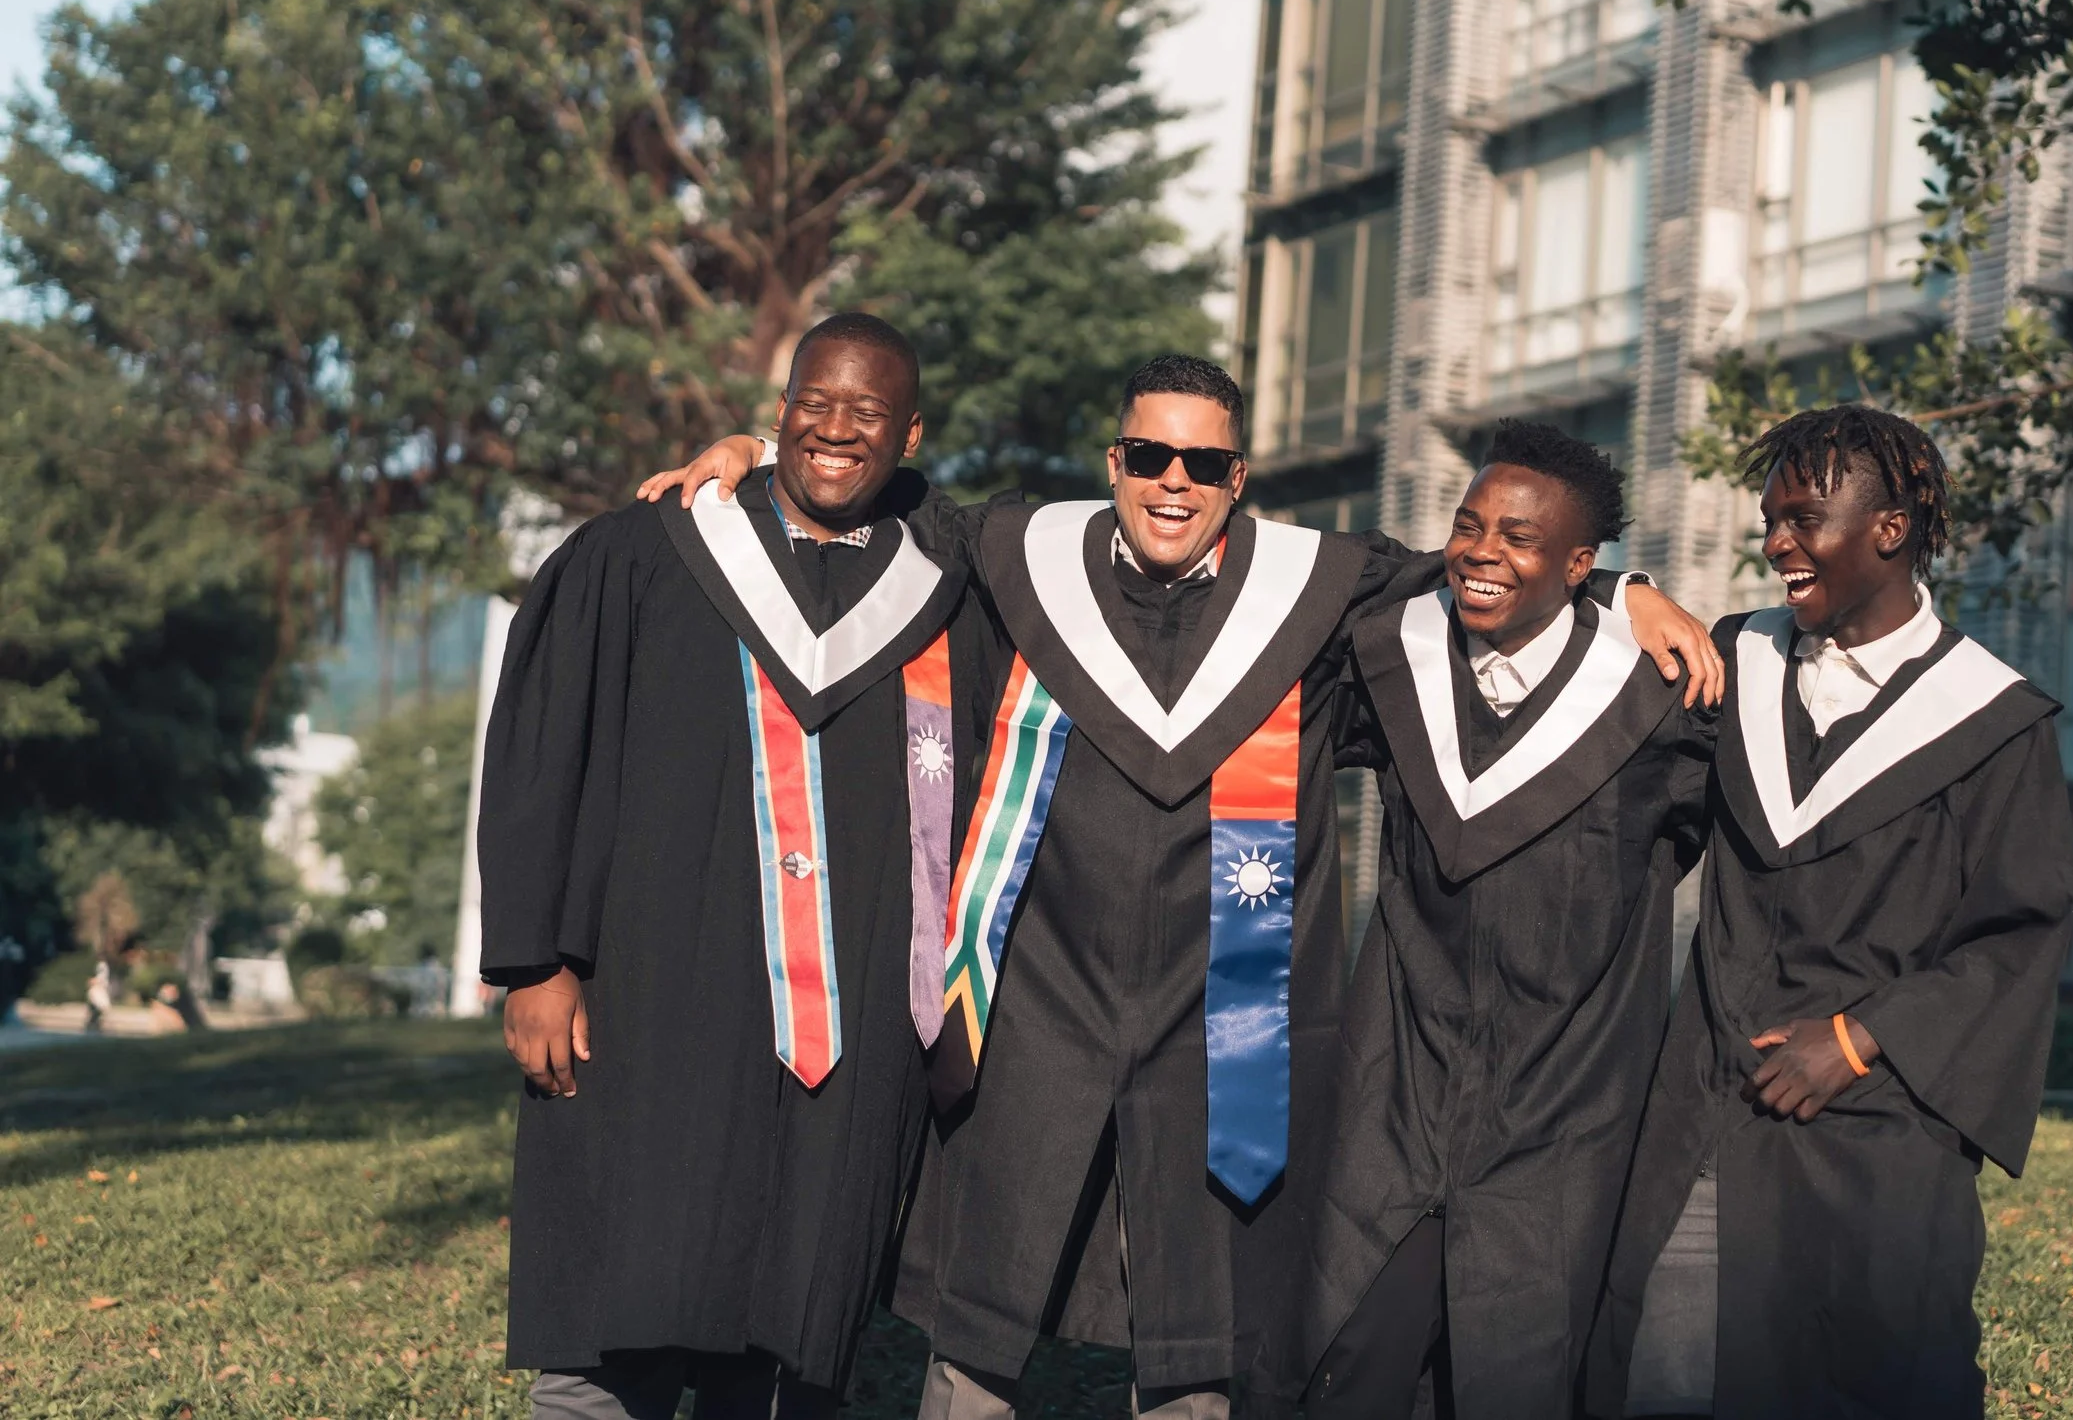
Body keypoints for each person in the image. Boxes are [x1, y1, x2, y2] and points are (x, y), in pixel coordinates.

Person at [643, 357, 1723, 1420]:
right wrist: (751, 451)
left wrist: (1626, 588)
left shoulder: (1316, 585)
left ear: (1238, 477)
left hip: (1224, 1016)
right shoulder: (1021, 551)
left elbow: (1486, 570)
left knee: (1199, 1327)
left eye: (1203, 461)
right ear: (1114, 460)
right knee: (979, 1326)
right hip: (1040, 998)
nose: (1174, 480)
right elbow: (889, 504)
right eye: (1151, 454)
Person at [478, 314, 1006, 1419]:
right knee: (623, 1293)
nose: (835, 428)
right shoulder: (642, 552)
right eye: (815, 401)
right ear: (776, 414)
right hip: (650, 1000)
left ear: (910, 436)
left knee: (797, 1312)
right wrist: (534, 962)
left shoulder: (952, 581)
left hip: (851, 1033)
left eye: (868, 413)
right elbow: (542, 754)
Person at [1584, 403, 2073, 1420]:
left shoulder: (1992, 721)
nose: (1775, 544)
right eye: (1770, 520)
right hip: (1707, 1110)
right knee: (1660, 1370)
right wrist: (1614, 592)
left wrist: (1858, 1039)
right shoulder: (1736, 665)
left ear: (1888, 529)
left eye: (1802, 518)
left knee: (1862, 1378)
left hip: (1874, 1134)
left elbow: (2015, 937)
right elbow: (1618, 819)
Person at [1296, 421, 1716, 1419]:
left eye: (1521, 539)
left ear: (1579, 563)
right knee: (1352, 1358)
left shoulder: (1660, 708)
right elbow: (1359, 574)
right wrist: (1624, 586)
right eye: (1468, 524)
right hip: (1396, 1088)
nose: (1484, 550)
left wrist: (1622, 595)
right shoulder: (1396, 663)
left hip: (1560, 1112)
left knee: (1513, 1376)